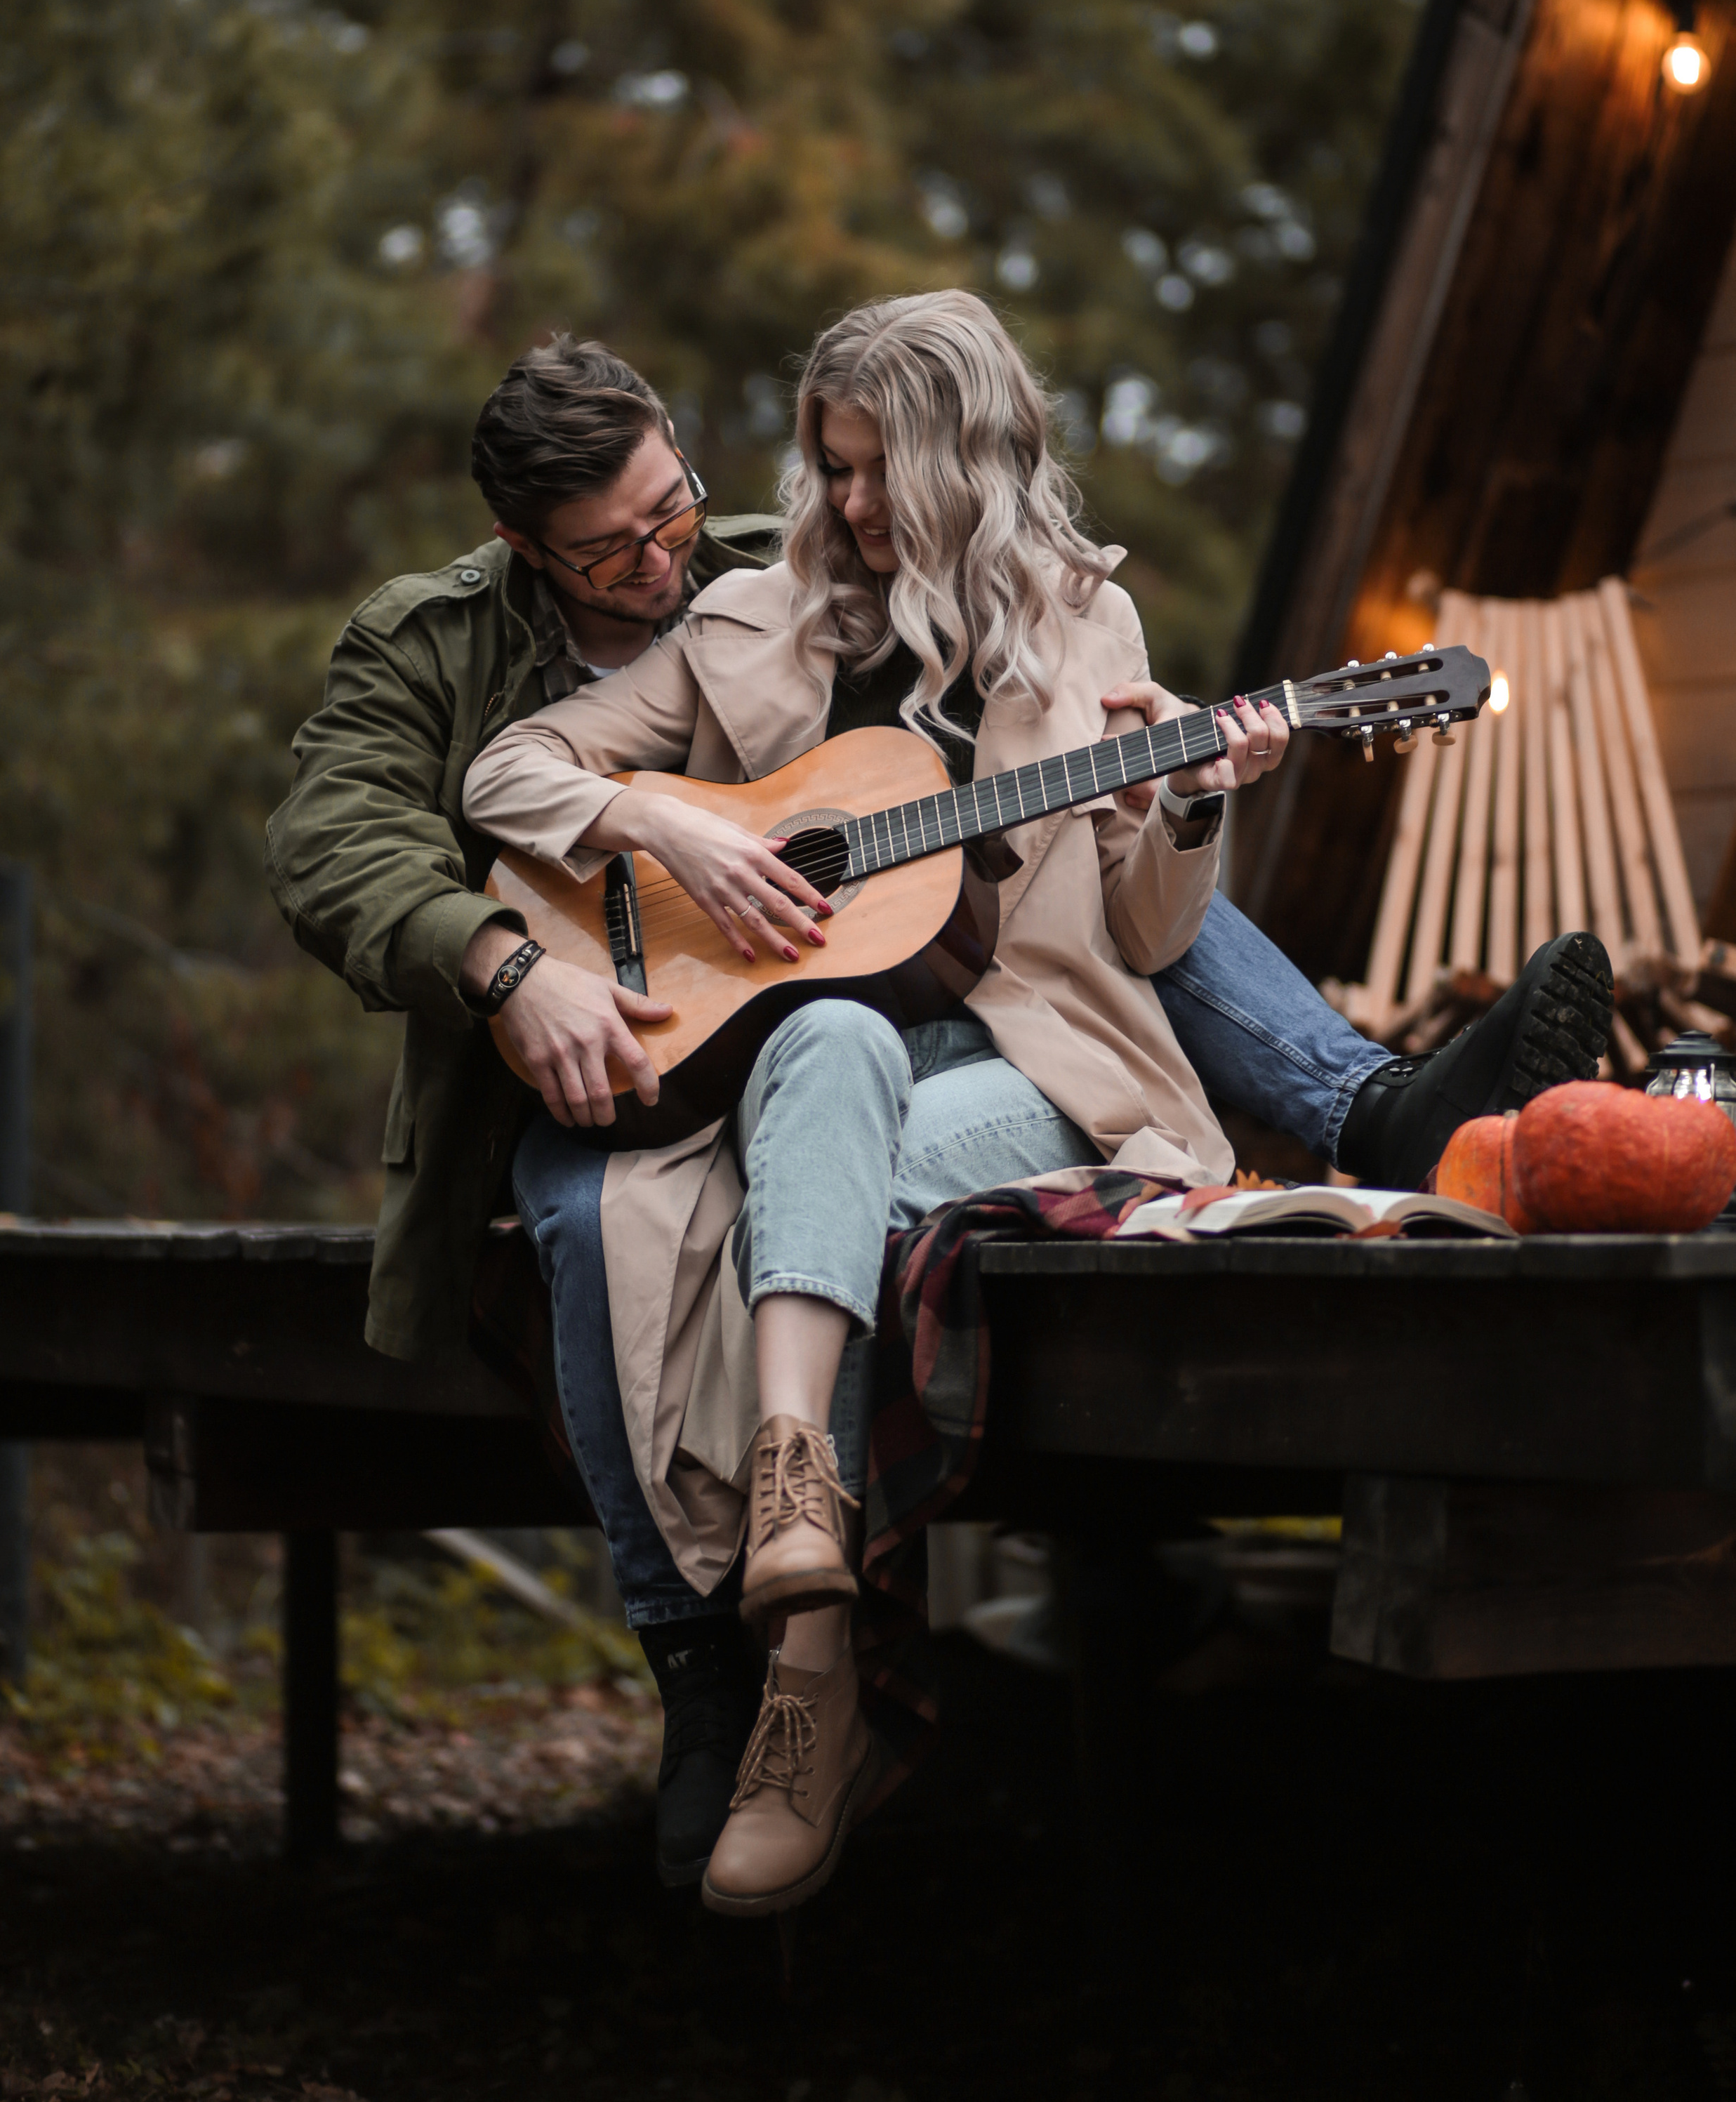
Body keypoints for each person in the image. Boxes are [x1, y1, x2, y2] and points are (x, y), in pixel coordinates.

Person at [460, 289, 1614, 1918]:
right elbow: (502, 779)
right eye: (828, 465)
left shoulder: (1087, 633)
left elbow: (1143, 938)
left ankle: (805, 1684)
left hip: (1040, 1077)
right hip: (818, 1082)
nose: (849, 505)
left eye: (876, 470)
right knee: (824, 1059)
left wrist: (1190, 808)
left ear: (961, 459)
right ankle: (807, 1634)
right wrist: (680, 823)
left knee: (787, 1139)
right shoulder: (741, 631)